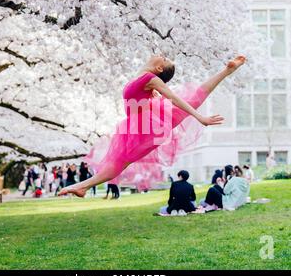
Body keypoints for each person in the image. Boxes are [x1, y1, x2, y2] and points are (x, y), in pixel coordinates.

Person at [59, 55, 246, 198]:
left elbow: (174, 98)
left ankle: (83, 186)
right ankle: (83, 186)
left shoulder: (151, 78)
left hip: (149, 126)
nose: (161, 55)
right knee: (120, 161)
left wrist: (200, 118)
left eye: (164, 59)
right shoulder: (142, 78)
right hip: (143, 122)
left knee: (121, 160)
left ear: (159, 68)